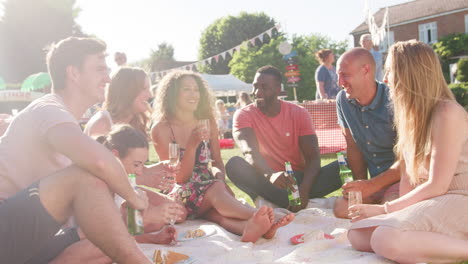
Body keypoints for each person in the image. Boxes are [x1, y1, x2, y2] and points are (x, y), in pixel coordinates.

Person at [0, 37, 153, 263]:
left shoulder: (68, 124)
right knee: (83, 178)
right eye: (100, 69)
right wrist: (134, 198)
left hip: (28, 237)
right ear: (73, 73)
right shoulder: (47, 108)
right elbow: (99, 163)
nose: (108, 78)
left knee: (107, 244)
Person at [348, 40, 468, 263]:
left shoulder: (447, 112)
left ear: (410, 74)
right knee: (358, 234)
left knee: (384, 238)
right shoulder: (411, 120)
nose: (384, 79)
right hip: (434, 201)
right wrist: (398, 215)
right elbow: (409, 179)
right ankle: (431, 248)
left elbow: (438, 185)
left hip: (460, 198)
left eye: (390, 71)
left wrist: (385, 210)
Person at [151, 70, 294, 243]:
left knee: (217, 209)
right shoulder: (162, 129)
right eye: (186, 89)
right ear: (173, 94)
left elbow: (217, 161)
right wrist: (192, 144)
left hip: (207, 188)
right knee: (215, 192)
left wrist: (220, 177)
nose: (193, 94)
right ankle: (259, 215)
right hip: (180, 193)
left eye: (196, 90)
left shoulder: (206, 121)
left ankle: (249, 228)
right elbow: (179, 177)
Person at [226, 65, 341, 212]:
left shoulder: (299, 113)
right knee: (234, 165)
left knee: (349, 162)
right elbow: (249, 151)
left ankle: (280, 202)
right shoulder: (243, 115)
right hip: (267, 178)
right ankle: (293, 201)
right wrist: (270, 175)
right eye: (255, 87)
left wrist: (304, 191)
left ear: (278, 90)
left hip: (299, 179)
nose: (257, 92)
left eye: (264, 87)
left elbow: (313, 158)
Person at [332, 48, 400, 219]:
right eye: (338, 75)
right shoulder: (342, 100)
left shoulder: (396, 99)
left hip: (402, 180)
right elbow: (352, 146)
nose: (340, 82)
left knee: (391, 208)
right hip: (374, 184)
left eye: (345, 75)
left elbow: (409, 159)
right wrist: (360, 186)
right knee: (340, 208)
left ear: (366, 70)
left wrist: (371, 185)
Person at [84, 67, 152, 137]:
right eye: (144, 89)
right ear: (127, 91)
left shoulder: (135, 121)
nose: (150, 95)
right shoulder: (102, 124)